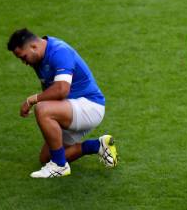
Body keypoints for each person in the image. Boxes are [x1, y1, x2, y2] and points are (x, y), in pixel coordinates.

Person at [7, 28, 118, 178]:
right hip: (72, 108)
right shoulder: (39, 58)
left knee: (42, 109)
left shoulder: (59, 52)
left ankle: (60, 166)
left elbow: (61, 90)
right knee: (46, 158)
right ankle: (98, 145)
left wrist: (32, 100)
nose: (24, 62)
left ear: (33, 47)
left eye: (23, 57)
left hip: (90, 106)